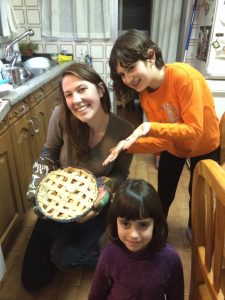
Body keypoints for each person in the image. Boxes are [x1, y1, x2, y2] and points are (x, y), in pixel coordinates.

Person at [21, 63, 134, 292]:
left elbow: (121, 174)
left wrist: (102, 197)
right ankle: (62, 236)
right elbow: (49, 153)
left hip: (93, 206)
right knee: (32, 281)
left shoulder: (124, 132)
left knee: (65, 259)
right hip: (59, 199)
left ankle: (95, 252)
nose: (76, 100)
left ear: (100, 90)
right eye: (69, 94)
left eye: (82, 89)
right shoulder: (61, 116)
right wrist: (37, 184)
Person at [103, 29, 220, 237]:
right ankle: (157, 231)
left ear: (151, 56)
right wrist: (127, 146)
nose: (128, 78)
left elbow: (193, 131)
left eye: (131, 68)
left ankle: (195, 231)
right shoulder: (146, 95)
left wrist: (149, 128)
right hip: (174, 146)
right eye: (122, 74)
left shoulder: (184, 77)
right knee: (163, 193)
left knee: (198, 195)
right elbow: (163, 140)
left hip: (205, 144)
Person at [88, 179, 184, 300]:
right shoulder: (108, 256)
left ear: (156, 224)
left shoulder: (171, 259)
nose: (134, 234)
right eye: (125, 224)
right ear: (115, 222)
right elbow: (96, 295)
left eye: (143, 225)